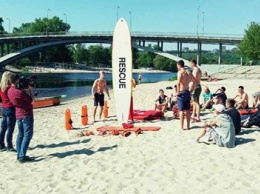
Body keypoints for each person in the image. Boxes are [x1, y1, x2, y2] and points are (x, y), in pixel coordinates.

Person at [8, 73, 35, 163]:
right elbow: (31, 100)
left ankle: (19, 154)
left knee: (20, 135)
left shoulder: (10, 91)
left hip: (18, 114)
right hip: (26, 114)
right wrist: (30, 90)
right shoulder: (20, 92)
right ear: (16, 80)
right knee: (27, 135)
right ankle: (22, 156)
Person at [176, 60, 196, 130]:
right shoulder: (188, 72)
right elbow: (194, 81)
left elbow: (178, 83)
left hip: (182, 92)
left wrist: (178, 92)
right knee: (187, 110)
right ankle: (188, 126)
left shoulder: (180, 72)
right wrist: (191, 90)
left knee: (181, 110)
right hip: (187, 91)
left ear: (179, 65)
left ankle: (181, 127)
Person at [0, 71, 16, 152]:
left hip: (3, 108)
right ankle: (9, 145)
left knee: (3, 127)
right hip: (10, 108)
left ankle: (1, 145)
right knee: (10, 128)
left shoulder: (1, 87)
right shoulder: (10, 87)